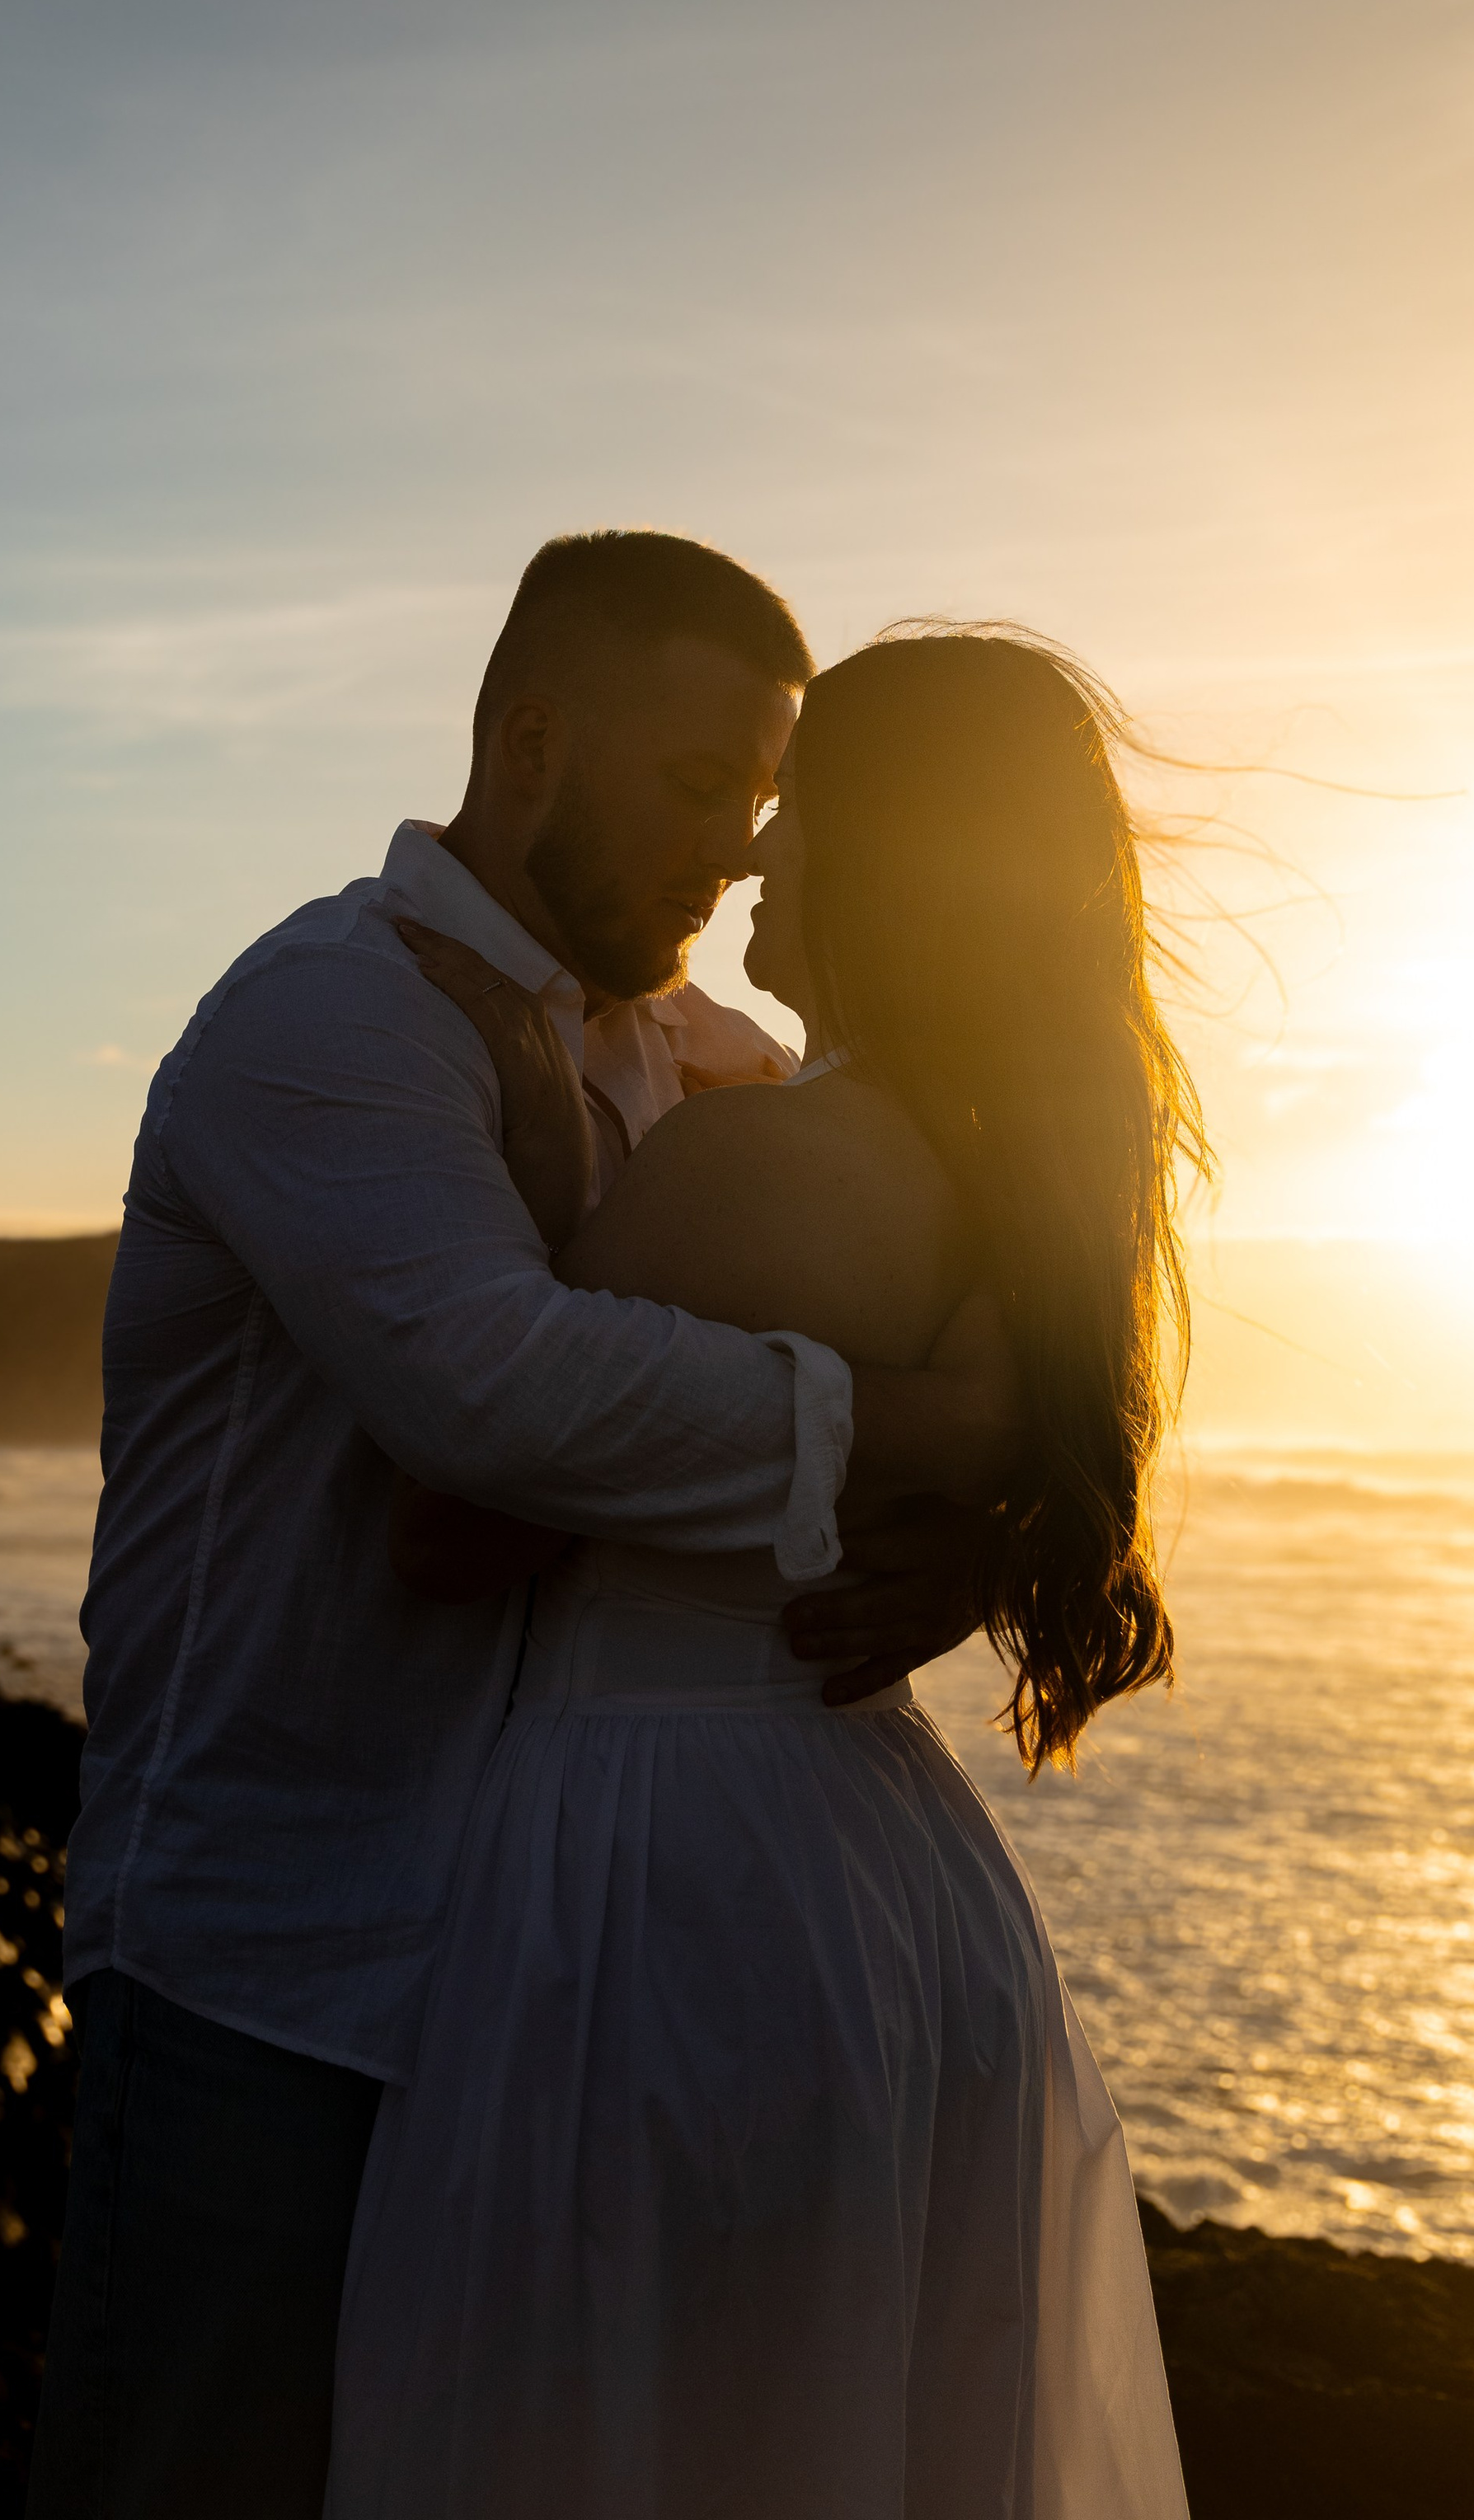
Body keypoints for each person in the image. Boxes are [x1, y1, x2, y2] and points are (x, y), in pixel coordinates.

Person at [26, 535, 1018, 2520]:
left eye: (759, 806)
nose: (735, 859)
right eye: (689, 788)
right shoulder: (326, 1019)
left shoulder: (686, 1061)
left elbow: (949, 1208)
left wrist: (1003, 1519)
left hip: (535, 1976)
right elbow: (488, 1394)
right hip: (268, 1965)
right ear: (532, 740)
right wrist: (924, 1429)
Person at [323, 625, 1201, 2520]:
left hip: (669, 1885)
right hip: (890, 1886)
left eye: (789, 815)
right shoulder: (1004, 1189)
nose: (748, 859)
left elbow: (454, 1529)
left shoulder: (755, 1176)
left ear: (880, 862)